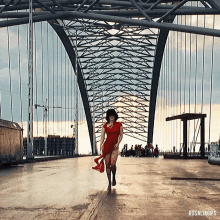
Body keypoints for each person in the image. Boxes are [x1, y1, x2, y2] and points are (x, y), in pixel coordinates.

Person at [92, 109, 123, 192]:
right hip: (106, 147)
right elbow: (102, 137)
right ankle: (109, 183)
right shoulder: (105, 126)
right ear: (108, 117)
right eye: (110, 115)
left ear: (115, 116)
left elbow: (121, 136)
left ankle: (114, 177)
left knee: (113, 163)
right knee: (107, 164)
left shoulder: (119, 125)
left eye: (113, 115)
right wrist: (101, 145)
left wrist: (118, 143)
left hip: (114, 147)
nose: (111, 117)